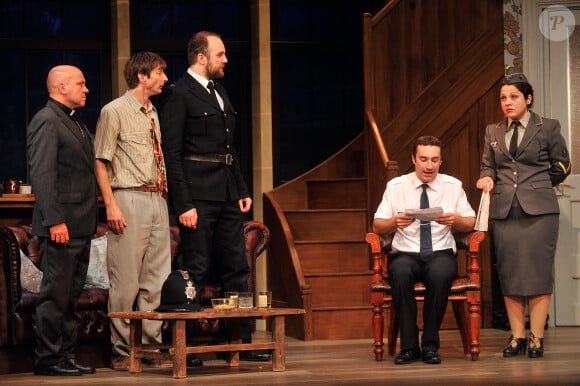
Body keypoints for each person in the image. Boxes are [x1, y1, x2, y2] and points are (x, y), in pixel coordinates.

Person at [158, 31, 269, 363]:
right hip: (197, 197)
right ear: (201, 57)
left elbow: (228, 148)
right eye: (220, 54)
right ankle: (187, 345)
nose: (226, 60)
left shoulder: (219, 92)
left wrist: (242, 189)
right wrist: (183, 203)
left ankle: (242, 340)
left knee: (237, 266)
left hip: (226, 194)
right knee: (197, 267)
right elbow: (171, 154)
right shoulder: (179, 93)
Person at [476, 70, 571, 359]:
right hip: (504, 210)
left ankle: (536, 337)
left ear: (528, 99)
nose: (507, 102)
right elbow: (487, 166)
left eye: (514, 96)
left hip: (540, 211)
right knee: (510, 273)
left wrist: (537, 186)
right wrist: (486, 179)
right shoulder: (493, 131)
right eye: (503, 97)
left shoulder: (547, 127)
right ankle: (517, 336)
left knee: (539, 274)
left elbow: (562, 165)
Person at [94, 52, 171, 370]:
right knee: (125, 281)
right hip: (128, 198)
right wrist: (111, 204)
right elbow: (100, 160)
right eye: (160, 72)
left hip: (157, 199)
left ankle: (151, 348)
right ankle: (123, 351)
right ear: (142, 76)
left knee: (157, 279)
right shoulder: (114, 111)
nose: (165, 78)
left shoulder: (152, 113)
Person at [372, 136, 476, 365]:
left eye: (435, 160)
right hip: (406, 253)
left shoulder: (452, 185)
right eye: (424, 159)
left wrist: (455, 219)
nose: (429, 166)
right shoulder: (396, 186)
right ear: (413, 159)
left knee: (439, 274)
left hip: (440, 252)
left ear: (440, 161)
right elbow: (377, 225)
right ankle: (409, 347)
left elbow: (470, 222)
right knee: (399, 274)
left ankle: (430, 345)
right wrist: (394, 223)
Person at [27, 65, 97, 376]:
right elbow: (42, 175)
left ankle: (67, 355)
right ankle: (48, 358)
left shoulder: (73, 122)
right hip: (61, 226)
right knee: (55, 294)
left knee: (71, 296)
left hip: (81, 223)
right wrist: (55, 220)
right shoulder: (46, 120)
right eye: (81, 84)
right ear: (61, 86)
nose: (86, 89)